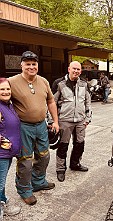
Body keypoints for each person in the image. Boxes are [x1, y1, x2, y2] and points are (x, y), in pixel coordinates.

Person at [8, 51, 59, 206]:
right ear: (21, 65)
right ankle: (24, 190)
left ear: (37, 65)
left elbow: (51, 101)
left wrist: (55, 121)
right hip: (23, 127)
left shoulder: (43, 81)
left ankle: (38, 182)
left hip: (42, 125)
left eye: (34, 64)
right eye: (28, 64)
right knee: (25, 160)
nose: (31, 66)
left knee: (44, 156)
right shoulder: (11, 82)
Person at [53, 61, 92, 182]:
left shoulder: (84, 84)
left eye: (78, 69)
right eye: (74, 68)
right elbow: (51, 103)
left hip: (80, 121)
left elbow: (88, 102)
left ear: (81, 71)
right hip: (64, 120)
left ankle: (75, 164)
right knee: (63, 145)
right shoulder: (59, 83)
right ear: (69, 69)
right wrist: (53, 121)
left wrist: (87, 119)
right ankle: (60, 169)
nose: (76, 71)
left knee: (80, 144)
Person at [0, 78, 21, 219]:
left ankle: (2, 200)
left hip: (8, 152)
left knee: (2, 181)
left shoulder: (8, 105)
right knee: (0, 181)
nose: (6, 91)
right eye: (2, 89)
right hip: (1, 152)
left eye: (8, 89)